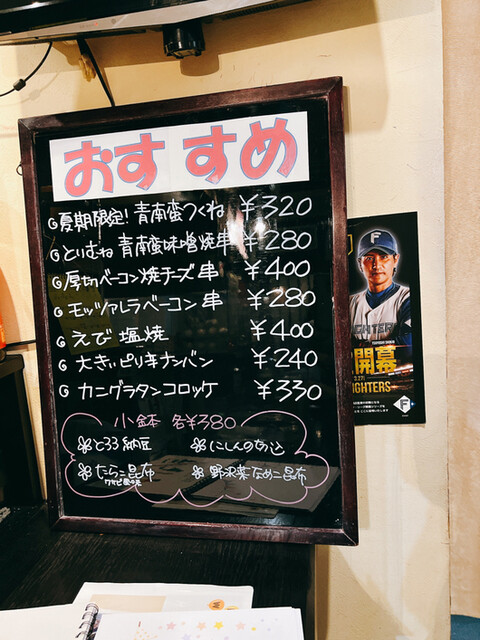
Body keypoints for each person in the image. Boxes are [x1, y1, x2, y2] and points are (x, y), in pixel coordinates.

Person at [350, 229, 411, 345]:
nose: (376, 265)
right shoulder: (348, 303)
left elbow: (409, 344)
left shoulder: (407, 297)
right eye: (369, 258)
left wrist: (361, 346)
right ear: (360, 264)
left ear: (395, 260)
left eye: (383, 257)